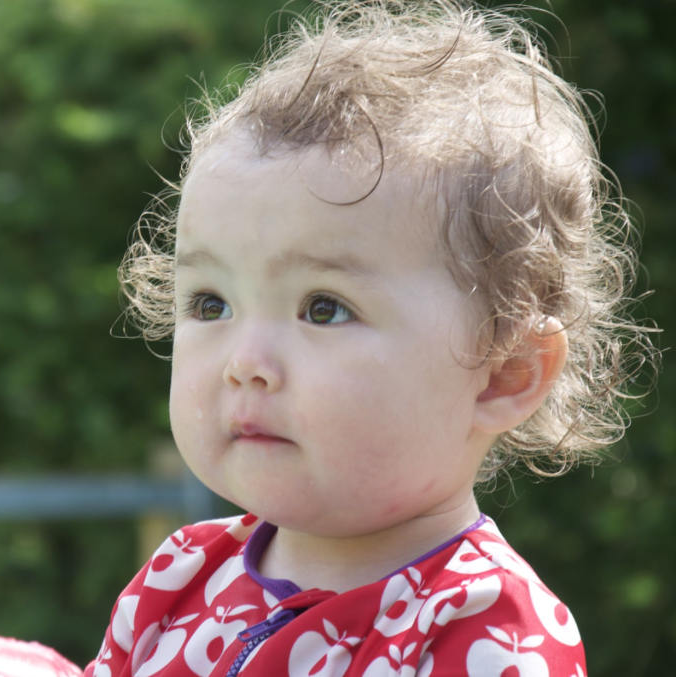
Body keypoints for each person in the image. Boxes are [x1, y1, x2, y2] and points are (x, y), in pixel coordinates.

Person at [86, 1, 656, 676]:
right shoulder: (179, 578)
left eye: (323, 309)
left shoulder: (484, 628)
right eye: (211, 303)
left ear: (504, 371)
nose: (245, 362)